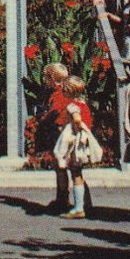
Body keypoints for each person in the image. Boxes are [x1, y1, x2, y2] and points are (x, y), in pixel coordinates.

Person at [53, 75, 102, 219]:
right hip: (81, 141)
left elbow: (77, 119)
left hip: (74, 143)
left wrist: (76, 127)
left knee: (75, 173)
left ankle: (79, 207)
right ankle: (82, 205)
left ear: (68, 91)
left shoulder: (72, 106)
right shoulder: (83, 103)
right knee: (77, 173)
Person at [35, 62, 73, 212]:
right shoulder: (64, 92)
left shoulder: (59, 95)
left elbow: (57, 114)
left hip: (60, 133)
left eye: (45, 77)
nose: (44, 80)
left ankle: (63, 199)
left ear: (52, 78)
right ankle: (64, 198)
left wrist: (46, 120)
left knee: (61, 167)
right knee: (63, 168)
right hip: (63, 132)